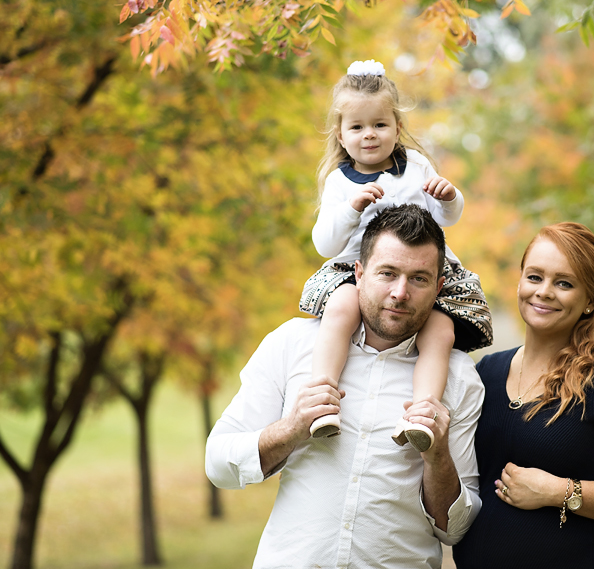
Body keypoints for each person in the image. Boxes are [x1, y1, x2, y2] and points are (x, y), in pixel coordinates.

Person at [206, 204, 485, 569]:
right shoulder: (292, 343)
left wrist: (437, 457)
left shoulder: (461, 377)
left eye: (418, 278)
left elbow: (456, 529)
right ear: (359, 271)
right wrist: (291, 430)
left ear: (438, 286)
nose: (400, 293)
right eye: (388, 273)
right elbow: (218, 464)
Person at [452, 222, 594, 569]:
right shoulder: (485, 374)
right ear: (520, 281)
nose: (544, 292)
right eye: (535, 277)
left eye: (564, 283)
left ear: (589, 300)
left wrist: (559, 492)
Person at [299, 59, 492, 451]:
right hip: (355, 273)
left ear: (397, 127)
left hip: (420, 271)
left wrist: (449, 196)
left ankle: (424, 410)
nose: (369, 135)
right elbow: (324, 244)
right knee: (341, 310)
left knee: (441, 331)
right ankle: (322, 398)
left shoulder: (415, 166)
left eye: (379, 125)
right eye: (357, 127)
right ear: (340, 132)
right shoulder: (339, 182)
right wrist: (351, 209)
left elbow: (446, 218)